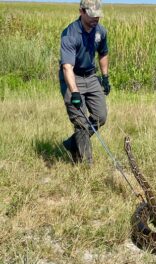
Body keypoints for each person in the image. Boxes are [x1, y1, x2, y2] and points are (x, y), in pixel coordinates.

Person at [59, 0, 111, 165]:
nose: (96, 18)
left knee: (100, 116)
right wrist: (74, 92)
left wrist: (105, 77)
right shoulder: (70, 34)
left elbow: (103, 53)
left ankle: (72, 143)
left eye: (98, 15)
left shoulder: (100, 32)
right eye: (92, 15)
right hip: (72, 77)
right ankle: (86, 165)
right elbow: (67, 67)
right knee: (81, 122)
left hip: (91, 76)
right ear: (81, 11)